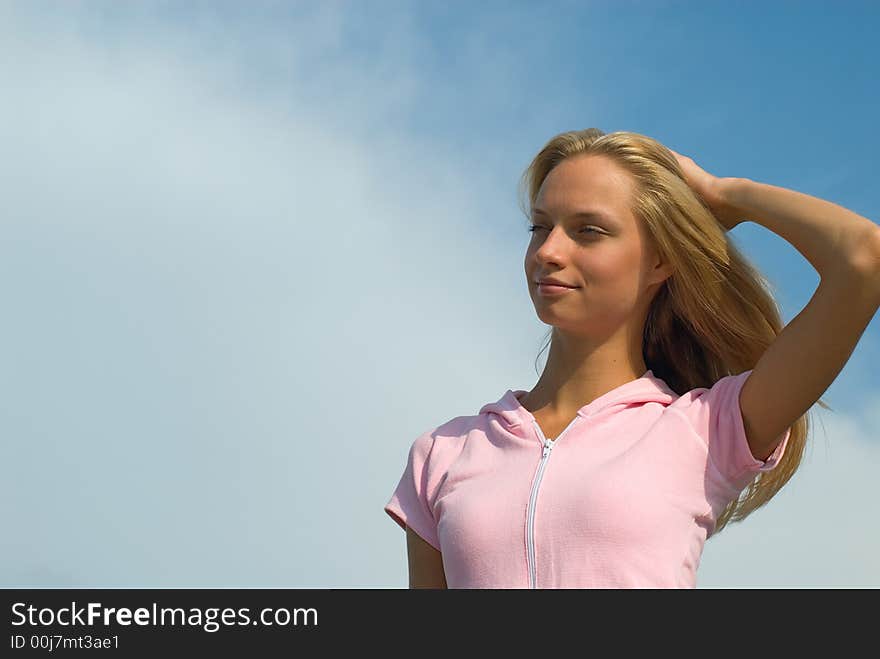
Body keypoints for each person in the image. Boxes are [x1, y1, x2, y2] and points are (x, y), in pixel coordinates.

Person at [384, 128, 880, 588]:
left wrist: (725, 193)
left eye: (588, 231)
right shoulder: (444, 452)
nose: (548, 251)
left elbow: (863, 257)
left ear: (661, 260)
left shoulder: (707, 429)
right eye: (540, 227)